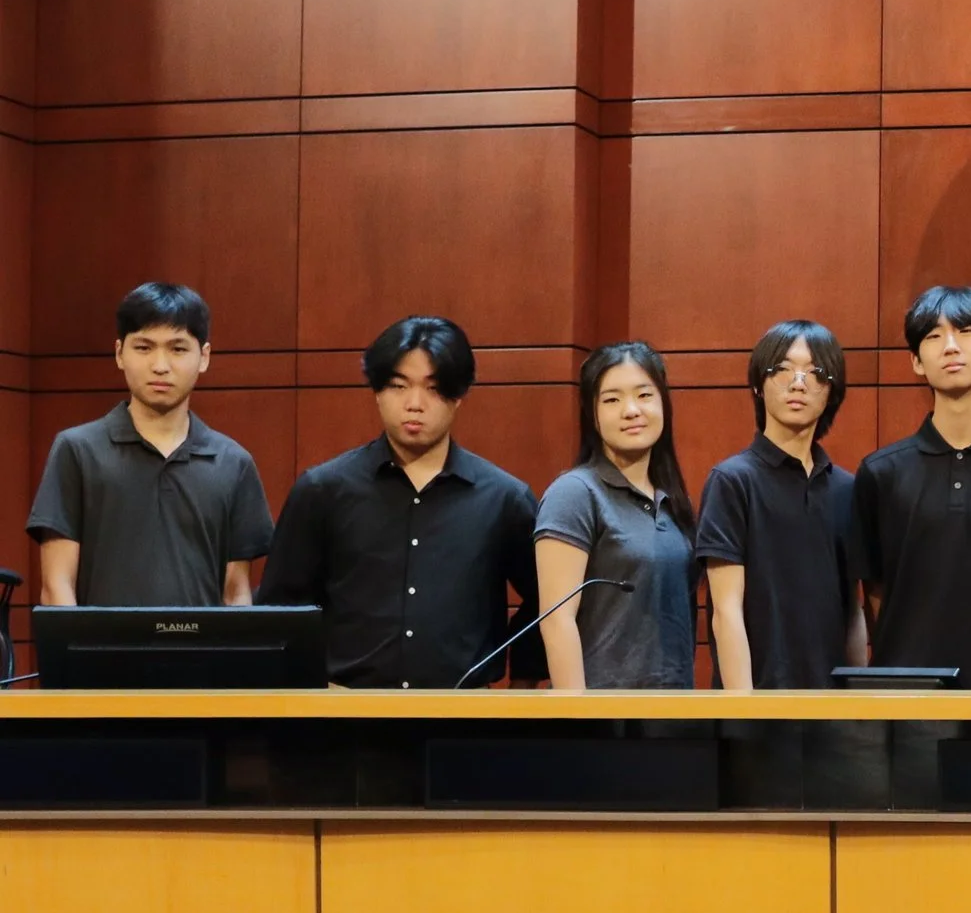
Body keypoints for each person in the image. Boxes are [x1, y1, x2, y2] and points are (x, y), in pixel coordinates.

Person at [258, 317, 541, 688]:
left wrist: (525, 679)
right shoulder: (323, 489)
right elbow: (280, 610)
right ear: (377, 391)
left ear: (459, 395)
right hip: (345, 723)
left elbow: (546, 603)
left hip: (464, 723)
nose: (414, 404)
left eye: (434, 388)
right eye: (398, 385)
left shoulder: (504, 498)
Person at [848, 286, 971, 689]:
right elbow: (873, 589)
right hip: (900, 694)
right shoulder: (880, 473)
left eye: (967, 331)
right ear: (916, 362)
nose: (951, 347)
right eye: (933, 336)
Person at [29, 282, 273, 608]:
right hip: (103, 657)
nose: (160, 365)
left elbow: (236, 593)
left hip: (202, 659)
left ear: (204, 357)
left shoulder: (233, 463)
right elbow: (57, 586)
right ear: (119, 354)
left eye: (178, 349)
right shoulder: (77, 451)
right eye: (144, 348)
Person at [695, 320, 864, 690]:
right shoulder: (732, 481)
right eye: (782, 369)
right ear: (758, 384)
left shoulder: (847, 488)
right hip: (758, 705)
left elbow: (852, 610)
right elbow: (725, 612)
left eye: (815, 372)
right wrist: (745, 711)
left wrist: (859, 705)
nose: (798, 383)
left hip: (833, 708)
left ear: (832, 390)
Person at [534, 342, 699, 690]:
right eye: (611, 399)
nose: (631, 410)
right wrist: (578, 718)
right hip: (603, 723)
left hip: (675, 717)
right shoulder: (575, 493)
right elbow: (556, 620)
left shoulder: (672, 499)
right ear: (591, 414)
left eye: (644, 395)